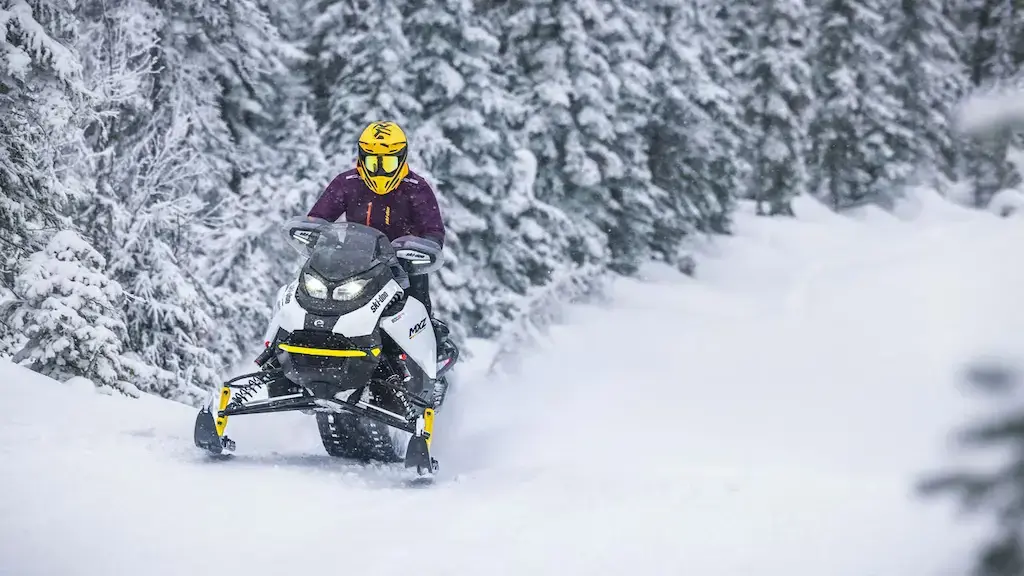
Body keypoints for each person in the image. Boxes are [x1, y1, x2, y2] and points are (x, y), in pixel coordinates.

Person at [307, 120, 452, 348]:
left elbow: (432, 229)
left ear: (401, 159)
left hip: (402, 266)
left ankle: (424, 358)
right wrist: (314, 233)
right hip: (354, 264)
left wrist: (424, 247)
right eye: (374, 162)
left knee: (416, 312)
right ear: (363, 159)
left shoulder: (415, 188)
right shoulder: (347, 183)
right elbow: (319, 217)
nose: (381, 170)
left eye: (389, 162)